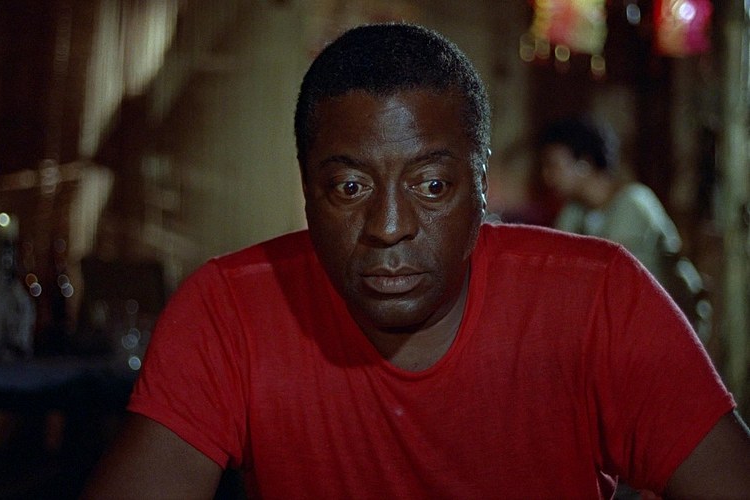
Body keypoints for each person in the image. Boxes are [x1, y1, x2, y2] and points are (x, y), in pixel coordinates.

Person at [83, 23, 750, 499]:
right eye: (349, 187)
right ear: (307, 189)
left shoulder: (597, 295)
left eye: (431, 185)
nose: (389, 226)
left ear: (481, 186)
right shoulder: (230, 308)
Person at [538, 116, 710, 335]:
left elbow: (614, 283)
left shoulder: (633, 203)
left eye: (553, 165)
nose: (547, 176)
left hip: (671, 327)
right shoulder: (574, 211)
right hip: (624, 326)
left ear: (584, 163)